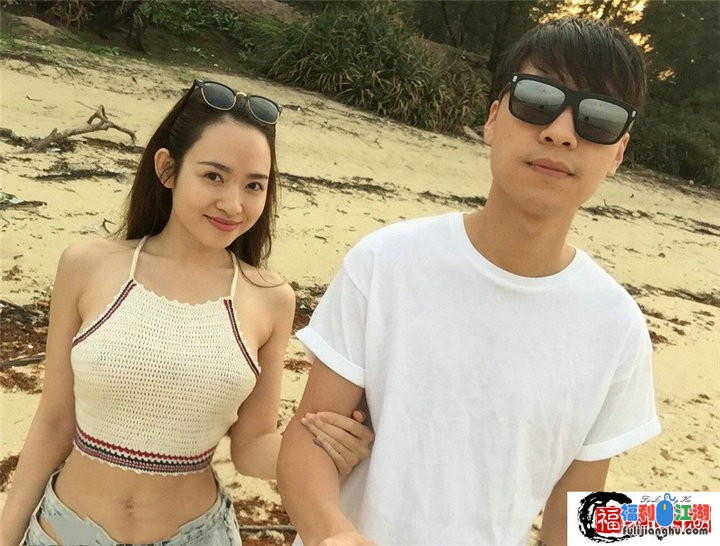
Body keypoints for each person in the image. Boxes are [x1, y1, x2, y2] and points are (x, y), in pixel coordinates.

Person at [277, 17, 661, 546]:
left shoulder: (616, 328)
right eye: (538, 100)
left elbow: (579, 518)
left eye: (599, 118)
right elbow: (308, 442)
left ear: (618, 152)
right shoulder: (387, 263)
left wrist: (693, 522)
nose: (561, 132)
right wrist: (333, 533)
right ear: (493, 119)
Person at [0, 79, 374, 546]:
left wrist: (326, 452)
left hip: (198, 536)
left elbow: (253, 447)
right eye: (214, 176)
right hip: (65, 531)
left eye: (253, 185)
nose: (233, 204)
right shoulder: (87, 265)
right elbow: (54, 421)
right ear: (167, 169)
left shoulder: (270, 298)